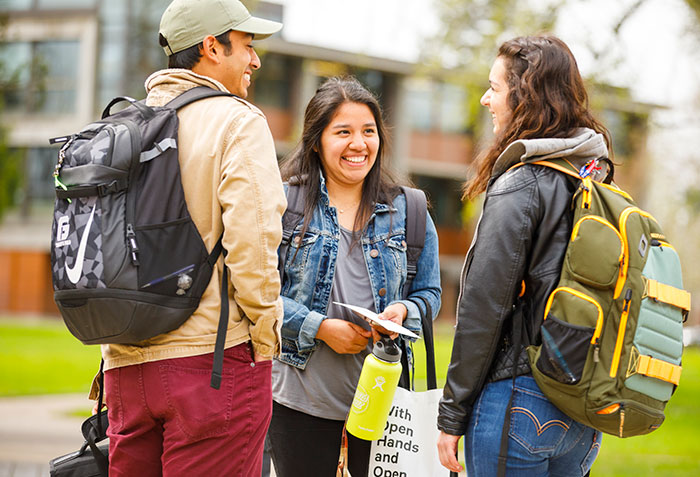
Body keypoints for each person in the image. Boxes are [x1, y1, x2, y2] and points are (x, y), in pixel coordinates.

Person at [94, 1, 286, 475]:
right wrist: (264, 342)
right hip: (213, 366)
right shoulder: (237, 121)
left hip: (124, 368)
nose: (255, 60)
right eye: (246, 45)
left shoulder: (121, 127)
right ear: (210, 47)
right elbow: (254, 242)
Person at [437, 35, 608, 476]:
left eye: (494, 88)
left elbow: (483, 309)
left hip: (517, 402)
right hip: (581, 410)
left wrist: (452, 415)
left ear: (525, 94)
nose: (485, 98)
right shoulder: (592, 178)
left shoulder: (522, 183)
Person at [267, 76, 442, 477]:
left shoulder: (409, 209)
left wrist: (403, 311)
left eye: (368, 131)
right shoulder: (284, 203)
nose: (358, 144)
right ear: (316, 140)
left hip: (383, 402)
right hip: (299, 400)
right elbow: (258, 294)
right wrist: (320, 327)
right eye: (342, 132)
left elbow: (430, 292)